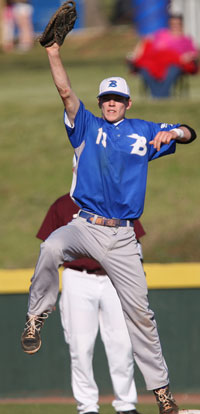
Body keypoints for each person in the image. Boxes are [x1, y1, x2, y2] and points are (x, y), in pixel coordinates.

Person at [21, 33, 197, 414]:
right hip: (84, 224)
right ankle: (36, 316)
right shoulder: (86, 127)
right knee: (51, 245)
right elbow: (66, 93)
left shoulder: (144, 130)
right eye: (106, 99)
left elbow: (190, 132)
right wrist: (53, 53)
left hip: (122, 235)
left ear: (127, 103)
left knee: (141, 316)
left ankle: (162, 393)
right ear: (100, 104)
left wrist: (176, 132)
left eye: (117, 98)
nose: (111, 103)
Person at [36, 192, 146, 414]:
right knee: (80, 346)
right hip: (77, 276)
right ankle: (86, 407)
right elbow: (49, 249)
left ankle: (126, 405)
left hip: (114, 278)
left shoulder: (116, 200)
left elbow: (135, 244)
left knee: (122, 345)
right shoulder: (62, 205)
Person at [127, 13, 199, 98]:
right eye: (173, 24)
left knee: (172, 70)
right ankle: (158, 95)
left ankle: (161, 96)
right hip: (157, 62)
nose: (175, 26)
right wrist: (137, 52)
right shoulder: (161, 35)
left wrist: (187, 56)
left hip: (175, 63)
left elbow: (194, 53)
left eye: (177, 24)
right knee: (145, 69)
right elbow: (146, 43)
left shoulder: (185, 39)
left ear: (181, 24)